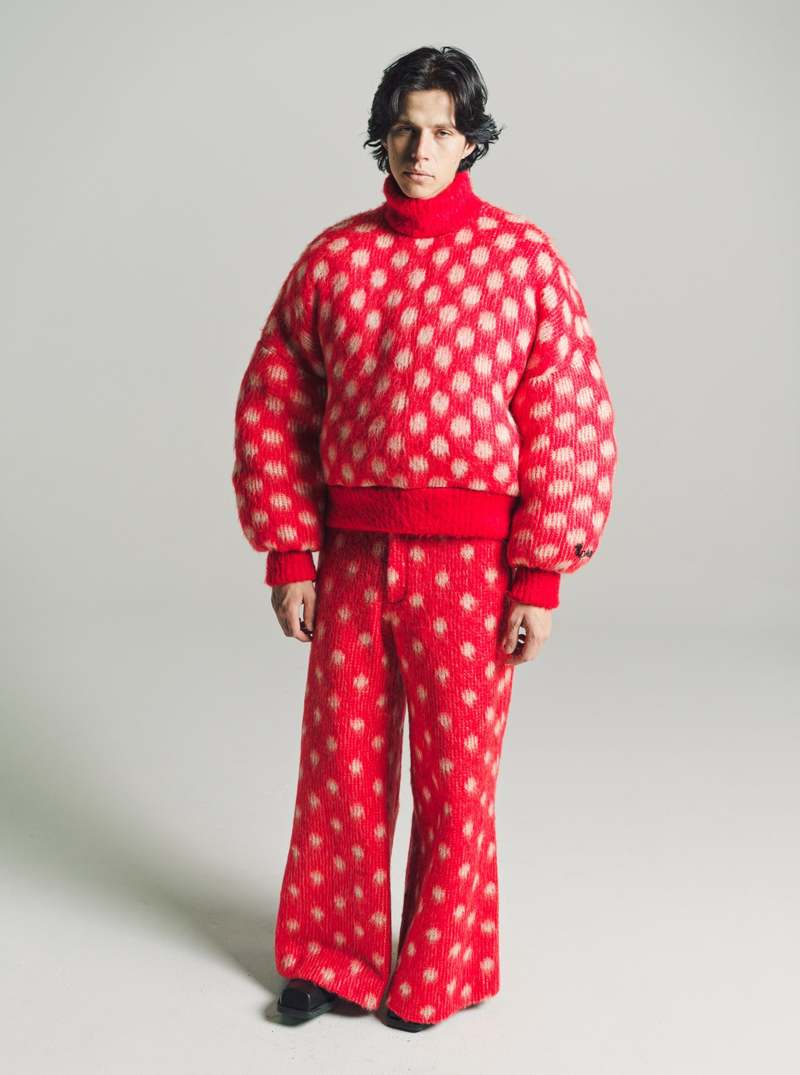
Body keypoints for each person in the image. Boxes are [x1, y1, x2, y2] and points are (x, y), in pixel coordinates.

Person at [231, 44, 617, 1032]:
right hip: (355, 558)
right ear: (382, 135)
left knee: (457, 776)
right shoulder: (335, 260)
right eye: (404, 129)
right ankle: (332, 959)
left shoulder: (521, 260)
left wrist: (538, 576)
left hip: (471, 567)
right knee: (341, 769)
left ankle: (439, 970)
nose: (421, 149)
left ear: (470, 140)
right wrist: (290, 552)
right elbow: (275, 403)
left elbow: (566, 416)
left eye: (442, 130)